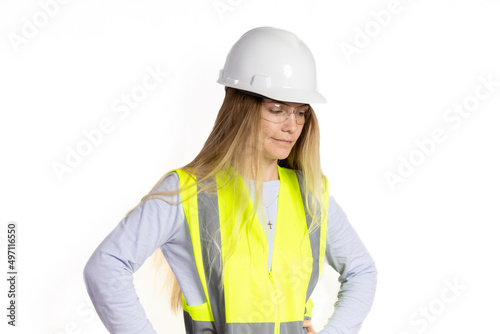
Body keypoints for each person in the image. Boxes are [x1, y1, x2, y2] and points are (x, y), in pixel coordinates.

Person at [83, 26, 377, 334]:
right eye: (277, 109)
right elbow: (106, 267)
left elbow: (362, 271)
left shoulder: (311, 195)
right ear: (240, 109)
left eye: (301, 113)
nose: (292, 125)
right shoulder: (187, 191)